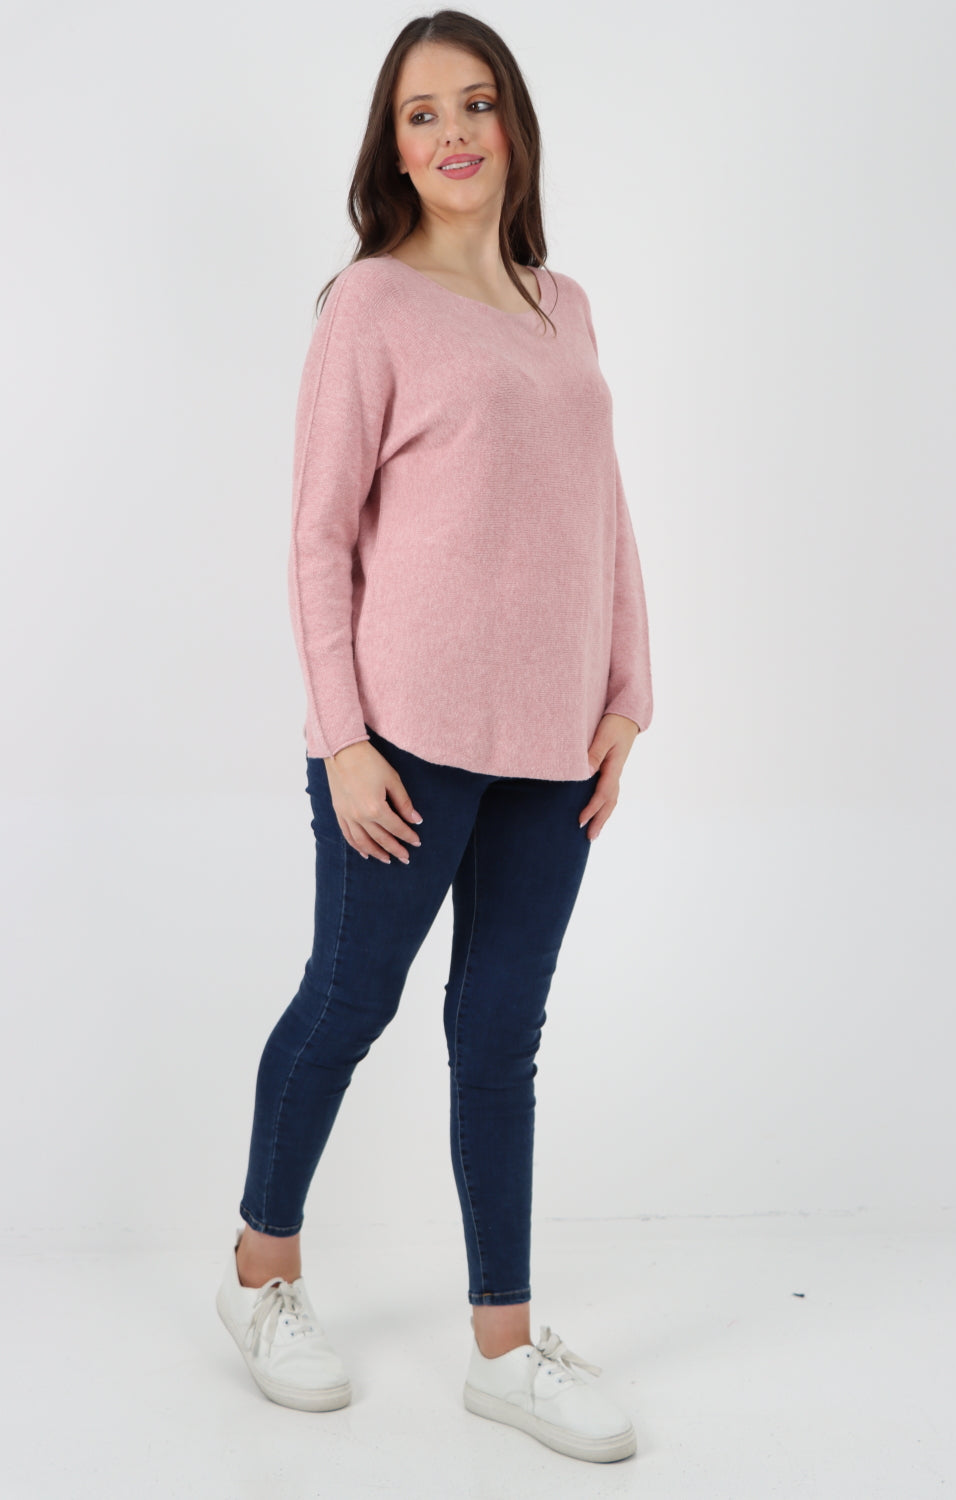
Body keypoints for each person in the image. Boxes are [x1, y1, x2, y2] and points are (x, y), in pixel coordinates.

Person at [215, 8, 652, 1466]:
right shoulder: (370, 305)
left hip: (553, 745)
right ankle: (260, 1275)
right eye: (422, 114)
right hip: (402, 742)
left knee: (500, 1037)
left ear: (513, 123)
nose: (454, 133)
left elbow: (606, 514)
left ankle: (506, 1351)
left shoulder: (564, 302)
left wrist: (627, 696)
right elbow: (317, 536)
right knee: (350, 1000)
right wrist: (344, 736)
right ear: (392, 147)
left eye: (475, 104)